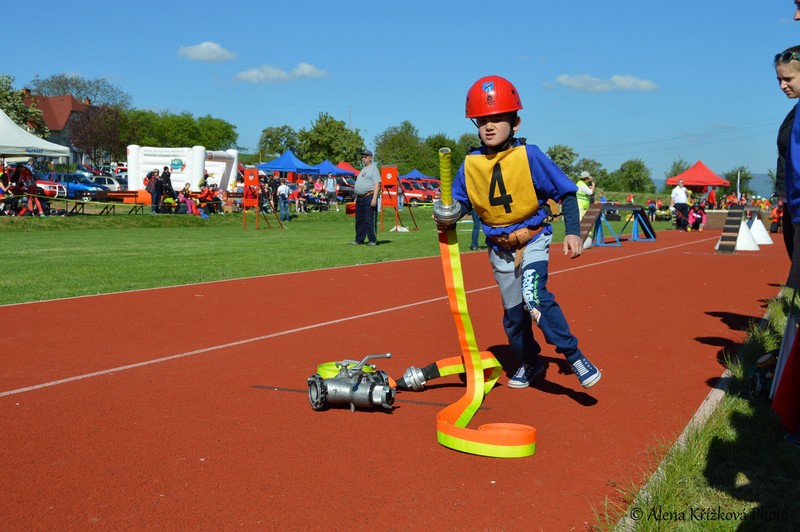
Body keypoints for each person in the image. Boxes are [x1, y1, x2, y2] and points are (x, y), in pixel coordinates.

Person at [433, 75, 601, 389]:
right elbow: (459, 203)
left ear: (516, 122)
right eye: (483, 120)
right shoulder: (469, 164)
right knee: (513, 315)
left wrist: (574, 233)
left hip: (533, 237)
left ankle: (574, 355)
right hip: (499, 248)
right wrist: (447, 214)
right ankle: (530, 361)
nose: (490, 125)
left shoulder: (530, 156)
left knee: (534, 296)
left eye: (498, 118)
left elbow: (565, 193)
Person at [776, 45, 800, 287]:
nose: (782, 85)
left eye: (788, 78)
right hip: (792, 202)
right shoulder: (795, 111)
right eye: (779, 79)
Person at [350, 149, 381, 246]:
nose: (363, 159)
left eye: (365, 157)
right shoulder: (363, 169)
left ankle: (372, 239)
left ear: (370, 158)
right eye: (362, 157)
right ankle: (359, 239)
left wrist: (374, 198)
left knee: (368, 219)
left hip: (369, 196)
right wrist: (356, 196)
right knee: (359, 219)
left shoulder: (374, 169)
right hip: (360, 197)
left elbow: (377, 184)